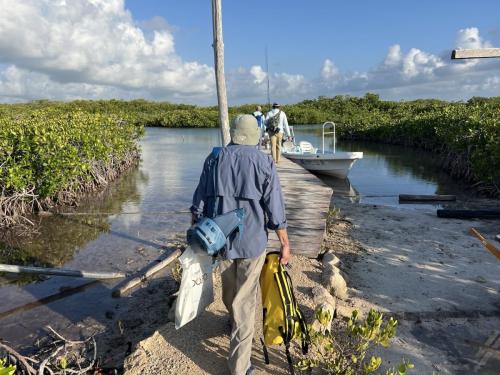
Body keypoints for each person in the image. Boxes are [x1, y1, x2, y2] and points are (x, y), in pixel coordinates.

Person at [191, 114, 291, 375]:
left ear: (234, 133)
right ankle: (239, 367)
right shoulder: (264, 161)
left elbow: (198, 202)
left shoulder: (214, 158)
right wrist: (285, 243)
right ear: (255, 135)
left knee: (229, 288)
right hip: (252, 241)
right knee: (245, 302)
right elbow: (276, 209)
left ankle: (232, 320)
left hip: (219, 241)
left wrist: (196, 231)